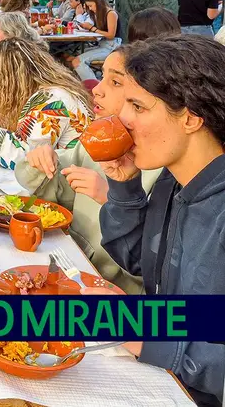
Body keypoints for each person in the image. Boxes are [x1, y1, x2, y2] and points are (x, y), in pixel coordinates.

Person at [98, 36, 225, 407]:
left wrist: (143, 332)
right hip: (158, 377)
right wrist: (123, 187)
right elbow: (139, 262)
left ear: (190, 117)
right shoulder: (173, 179)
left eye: (137, 105)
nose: (122, 118)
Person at [15, 49, 155, 295]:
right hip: (73, 266)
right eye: (101, 77)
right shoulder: (99, 137)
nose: (96, 89)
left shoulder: (161, 166)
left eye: (115, 82)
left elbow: (149, 266)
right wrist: (39, 160)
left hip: (113, 292)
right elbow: (52, 194)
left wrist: (111, 198)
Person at [0, 38, 93, 170]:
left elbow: (18, 159)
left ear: (7, 79)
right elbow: (8, 135)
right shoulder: (46, 92)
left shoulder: (51, 101)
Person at [72, 0, 122, 81]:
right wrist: (85, 29)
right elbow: (100, 32)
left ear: (98, 3)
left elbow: (111, 35)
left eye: (91, 6)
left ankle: (92, 86)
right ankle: (91, 80)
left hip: (111, 47)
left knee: (77, 61)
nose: (90, 9)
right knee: (71, 55)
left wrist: (92, 28)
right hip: (101, 45)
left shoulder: (111, 13)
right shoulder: (98, 14)